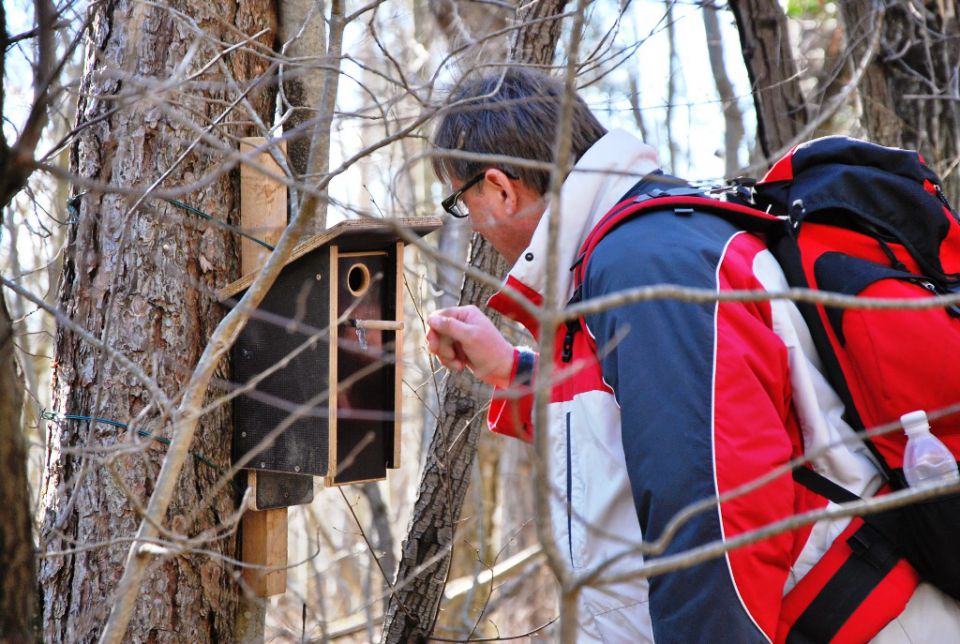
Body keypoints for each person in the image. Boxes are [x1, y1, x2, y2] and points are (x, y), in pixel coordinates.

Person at [425, 67, 960, 642]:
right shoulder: (630, 252)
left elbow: (716, 517)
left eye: (463, 202)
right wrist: (512, 370)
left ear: (501, 189)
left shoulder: (647, 263)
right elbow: (636, 423)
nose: (475, 225)